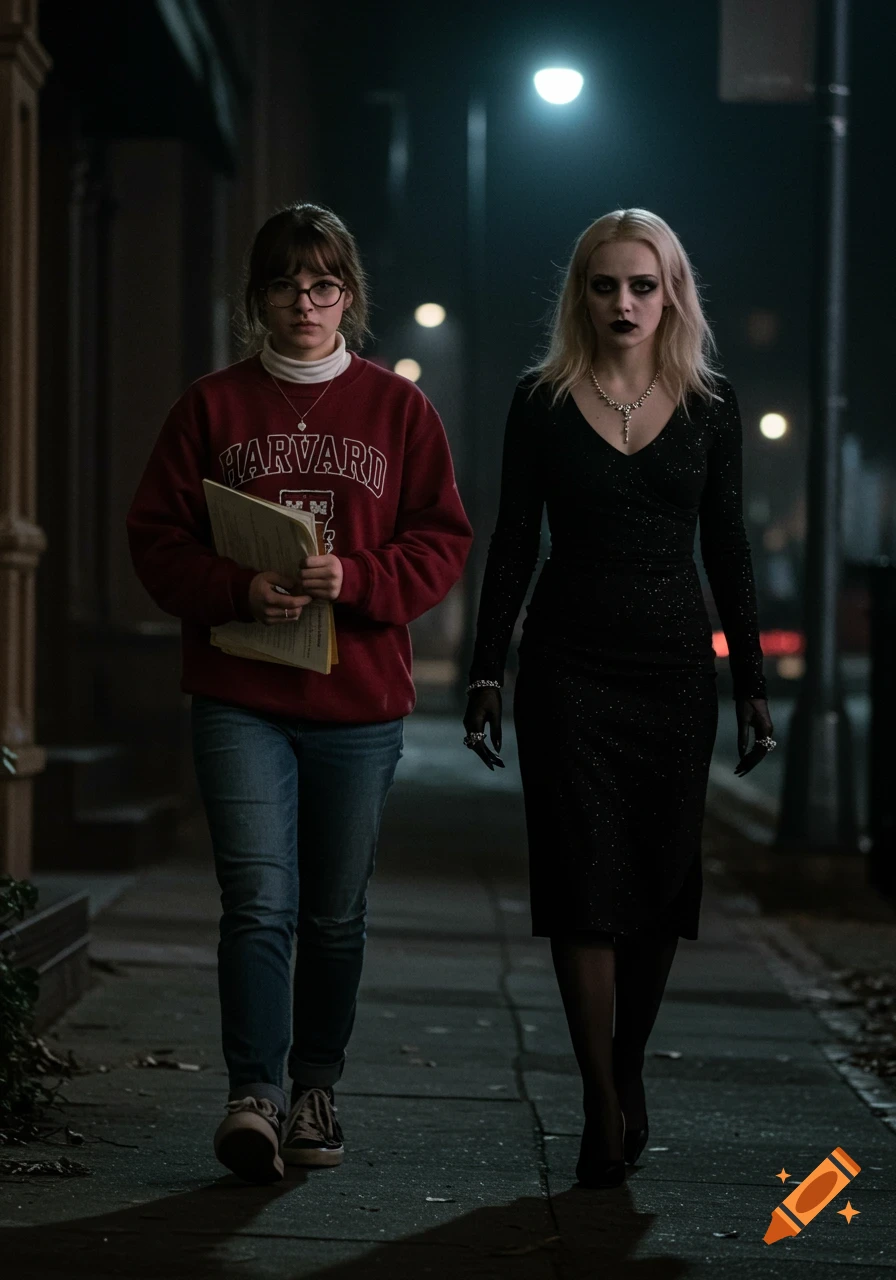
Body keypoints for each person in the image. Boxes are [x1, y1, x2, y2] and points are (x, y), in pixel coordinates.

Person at [127, 203, 472, 1183]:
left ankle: (315, 1082)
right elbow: (156, 536)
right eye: (285, 282)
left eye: (323, 283)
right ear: (258, 298)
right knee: (257, 898)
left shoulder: (398, 411)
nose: (304, 301)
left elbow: (440, 539)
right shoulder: (211, 407)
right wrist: (235, 586)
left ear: (349, 297)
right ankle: (253, 1092)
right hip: (240, 688)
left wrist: (356, 578)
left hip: (357, 700)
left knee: (332, 911)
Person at [463, 209, 774, 1189]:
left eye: (641, 284)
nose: (623, 302)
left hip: (674, 670)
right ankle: (598, 1098)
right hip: (566, 666)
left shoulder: (710, 405)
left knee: (653, 888)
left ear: (670, 292)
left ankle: (628, 1058)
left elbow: (727, 553)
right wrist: (485, 671)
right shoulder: (540, 399)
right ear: (581, 295)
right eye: (604, 285)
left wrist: (752, 685)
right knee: (579, 887)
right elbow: (511, 538)